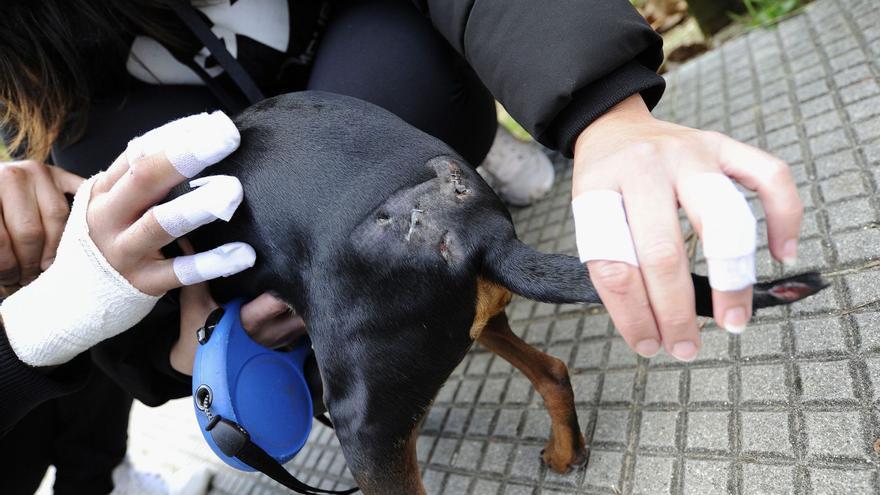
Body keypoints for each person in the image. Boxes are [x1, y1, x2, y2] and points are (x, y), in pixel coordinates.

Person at [0, 0, 802, 420]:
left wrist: (604, 110)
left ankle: (450, 160)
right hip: (255, 196)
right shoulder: (38, 103)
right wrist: (194, 346)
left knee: (401, 81)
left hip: (370, 69)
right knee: (106, 176)